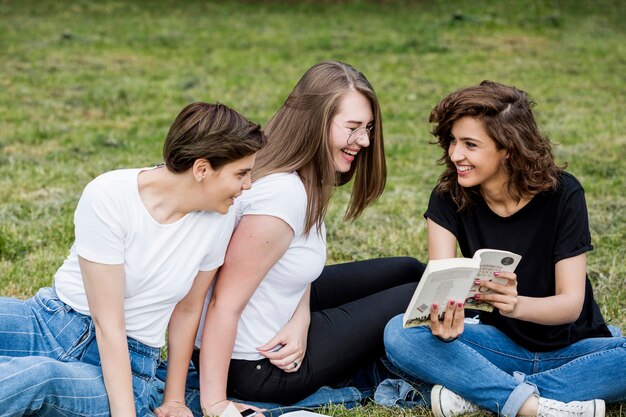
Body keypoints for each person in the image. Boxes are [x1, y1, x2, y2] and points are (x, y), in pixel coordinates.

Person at [156, 61, 425, 417]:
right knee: (415, 296)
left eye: (369, 128)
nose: (365, 140)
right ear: (315, 123)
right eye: (353, 128)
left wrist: (301, 320)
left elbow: (288, 266)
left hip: (277, 315)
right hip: (258, 364)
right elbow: (224, 302)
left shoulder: (298, 174)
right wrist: (215, 403)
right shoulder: (281, 197)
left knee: (409, 270)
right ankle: (490, 340)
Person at [0, 102, 266, 417]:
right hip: (48, 322)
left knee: (37, 377)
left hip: (129, 363)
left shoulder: (220, 215)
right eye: (241, 174)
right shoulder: (110, 195)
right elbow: (106, 320)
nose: (248, 186)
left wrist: (174, 400)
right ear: (202, 169)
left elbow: (188, 309)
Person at [384, 81, 626, 417]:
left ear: (507, 149)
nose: (456, 154)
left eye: (470, 144)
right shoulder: (447, 198)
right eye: (453, 141)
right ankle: (536, 406)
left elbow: (570, 305)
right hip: (497, 345)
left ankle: (478, 394)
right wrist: (443, 319)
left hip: (573, 346)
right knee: (399, 334)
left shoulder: (564, 194)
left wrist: (514, 305)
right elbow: (440, 287)